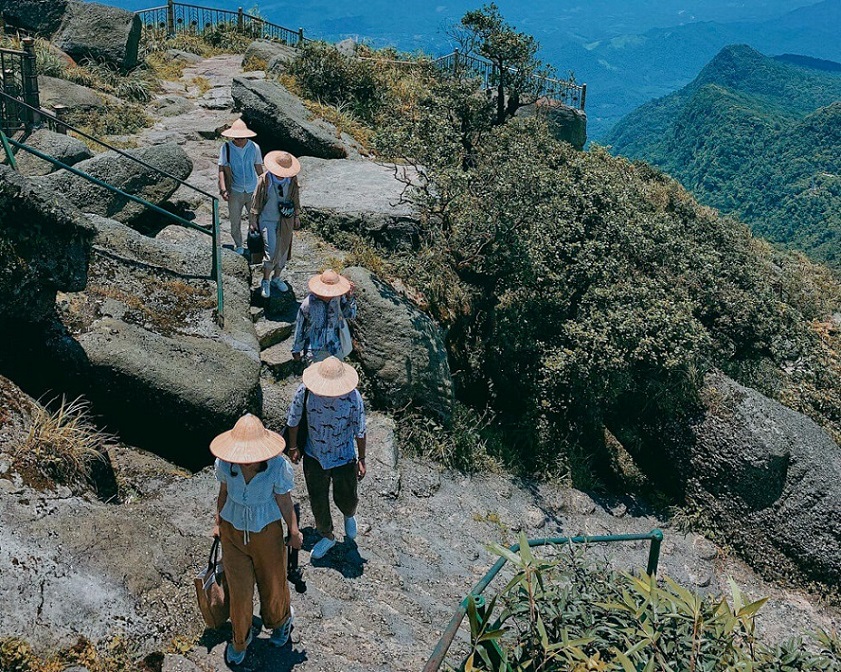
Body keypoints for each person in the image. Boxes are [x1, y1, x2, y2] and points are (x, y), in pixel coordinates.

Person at [210, 414, 304, 666]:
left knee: (273, 583)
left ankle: (281, 622)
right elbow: (223, 493)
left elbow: (285, 501)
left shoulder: (276, 466)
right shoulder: (225, 464)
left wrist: (294, 531)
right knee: (239, 590)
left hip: (266, 532)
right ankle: (240, 638)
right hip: (233, 530)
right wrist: (218, 522)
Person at [286, 357, 367, 560]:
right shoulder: (305, 391)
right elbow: (293, 419)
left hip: (344, 456)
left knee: (348, 495)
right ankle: (327, 535)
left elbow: (360, 429)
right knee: (318, 499)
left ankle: (349, 514)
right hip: (315, 455)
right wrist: (293, 446)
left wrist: (362, 458)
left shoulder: (352, 397)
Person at [249, 150, 301, 299]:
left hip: (286, 220)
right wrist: (253, 220)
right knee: (271, 250)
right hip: (267, 219)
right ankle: (265, 279)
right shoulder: (265, 179)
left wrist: (297, 215)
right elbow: (256, 201)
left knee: (283, 250)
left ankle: (276, 278)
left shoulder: (292, 180)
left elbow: (295, 198)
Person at [218, 118, 264, 256]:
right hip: (235, 190)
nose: (238, 140)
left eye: (241, 137)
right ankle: (238, 245)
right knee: (235, 220)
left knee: (255, 219)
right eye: (236, 138)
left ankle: (254, 245)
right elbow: (221, 169)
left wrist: (265, 185)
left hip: (252, 189)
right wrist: (223, 189)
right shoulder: (226, 148)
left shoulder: (254, 147)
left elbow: (258, 168)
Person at [292, 269, 357, 363]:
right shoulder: (308, 304)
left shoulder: (338, 298)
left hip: (335, 347)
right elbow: (300, 327)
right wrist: (296, 349)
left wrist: (350, 298)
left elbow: (350, 315)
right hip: (314, 350)